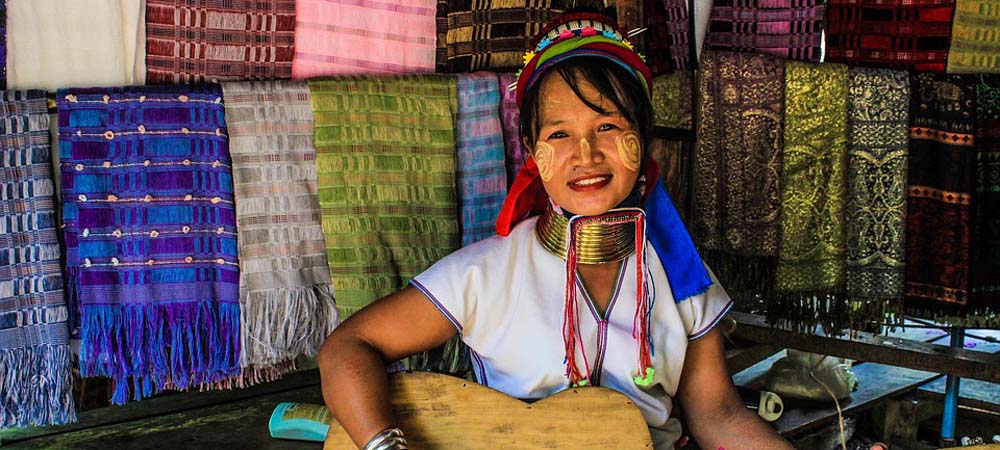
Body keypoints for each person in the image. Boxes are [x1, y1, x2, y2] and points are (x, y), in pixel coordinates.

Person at [318, 12, 796, 450]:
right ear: (532, 150)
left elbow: (719, 415)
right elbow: (346, 348)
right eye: (559, 134)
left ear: (644, 137)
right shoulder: (486, 275)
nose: (585, 154)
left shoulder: (683, 278)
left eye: (607, 125)